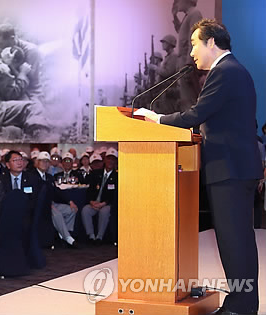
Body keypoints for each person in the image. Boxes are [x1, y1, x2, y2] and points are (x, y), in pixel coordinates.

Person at [143, 19, 261, 315]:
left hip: (229, 169)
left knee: (234, 242)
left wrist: (155, 118)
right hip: (236, 166)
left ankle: (240, 306)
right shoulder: (234, 71)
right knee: (239, 241)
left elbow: (197, 113)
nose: (191, 52)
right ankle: (244, 303)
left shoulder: (225, 72)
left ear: (211, 42)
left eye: (195, 44)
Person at [33, 151, 79, 248]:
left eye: (47, 161)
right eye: (42, 161)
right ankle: (68, 238)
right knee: (56, 213)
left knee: (71, 210)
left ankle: (63, 234)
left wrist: (70, 201)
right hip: (40, 205)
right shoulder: (32, 176)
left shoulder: (49, 177)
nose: (45, 164)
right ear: (37, 162)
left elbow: (56, 192)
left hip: (52, 203)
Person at [81, 148, 118, 244]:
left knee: (104, 212)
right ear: (105, 160)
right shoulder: (96, 173)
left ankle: (99, 237)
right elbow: (89, 190)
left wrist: (103, 203)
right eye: (109, 159)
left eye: (113, 160)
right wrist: (91, 201)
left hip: (106, 204)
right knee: (85, 210)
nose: (110, 161)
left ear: (115, 162)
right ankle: (91, 236)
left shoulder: (117, 176)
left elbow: (114, 195)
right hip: (94, 203)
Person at [172, 0, 202, 111]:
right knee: (185, 100)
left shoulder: (195, 14)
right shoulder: (189, 15)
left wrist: (189, 64)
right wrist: (174, 16)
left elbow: (193, 40)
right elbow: (181, 31)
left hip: (187, 63)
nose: (176, 4)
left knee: (189, 101)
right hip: (183, 62)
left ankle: (192, 127)